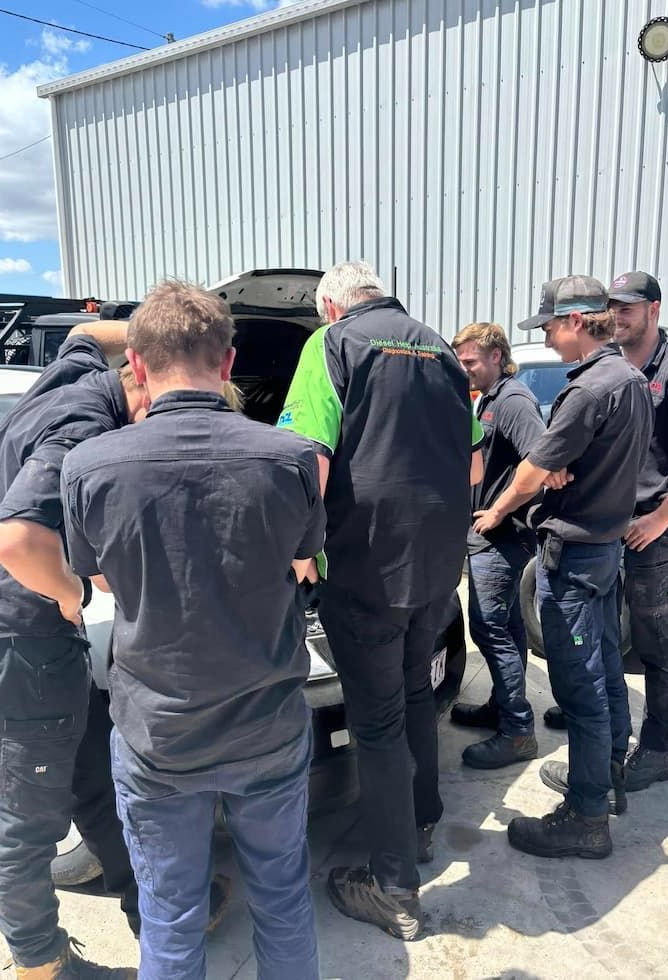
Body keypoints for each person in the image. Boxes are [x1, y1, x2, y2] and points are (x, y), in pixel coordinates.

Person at [61, 281, 323, 980]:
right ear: (228, 362)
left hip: (158, 734)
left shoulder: (89, 465)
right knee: (282, 899)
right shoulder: (291, 458)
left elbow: (98, 577)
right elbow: (302, 557)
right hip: (267, 726)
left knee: (170, 912)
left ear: (137, 365)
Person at [277, 260, 483, 940]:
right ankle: (419, 821)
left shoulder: (331, 344)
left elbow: (308, 459)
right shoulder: (440, 350)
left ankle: (393, 887)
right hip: (436, 567)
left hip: (366, 568)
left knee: (377, 723)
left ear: (331, 307)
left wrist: (298, 549)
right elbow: (473, 463)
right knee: (415, 693)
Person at [0, 323, 144, 978]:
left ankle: (148, 909)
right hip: (18, 642)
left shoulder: (74, 372)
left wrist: (163, 332)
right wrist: (71, 589)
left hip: (41, 647)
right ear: (141, 383)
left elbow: (81, 330)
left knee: (96, 779)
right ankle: (41, 963)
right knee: (25, 828)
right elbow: (15, 536)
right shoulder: (86, 425)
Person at [473, 275, 653, 858]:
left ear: (576, 320)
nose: (548, 339)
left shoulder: (589, 390)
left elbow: (531, 470)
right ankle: (604, 780)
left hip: (573, 560)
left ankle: (585, 816)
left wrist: (500, 507)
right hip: (603, 553)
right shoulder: (630, 379)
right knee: (604, 672)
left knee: (579, 689)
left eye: (549, 326)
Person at [542, 273, 668, 795]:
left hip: (646, 528)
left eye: (628, 308)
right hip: (604, 527)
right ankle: (606, 739)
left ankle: (657, 750)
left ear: (654, 310)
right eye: (612, 307)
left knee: (653, 639)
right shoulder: (612, 367)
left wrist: (660, 518)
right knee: (604, 635)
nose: (617, 315)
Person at [449, 323, 545, 768]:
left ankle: (518, 732)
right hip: (493, 537)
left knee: (489, 629)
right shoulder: (488, 398)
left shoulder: (513, 400)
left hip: (502, 538)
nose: (464, 369)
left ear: (495, 356)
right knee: (508, 627)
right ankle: (502, 707)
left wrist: (499, 511)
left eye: (470, 361)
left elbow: (539, 462)